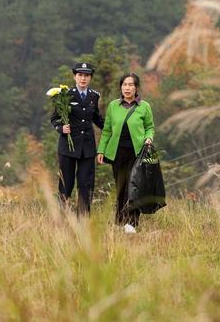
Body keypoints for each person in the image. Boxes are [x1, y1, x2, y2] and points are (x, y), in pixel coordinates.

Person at [97, 72, 154, 233]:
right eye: (124, 85)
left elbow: (150, 127)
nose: (127, 88)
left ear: (136, 88)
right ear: (120, 87)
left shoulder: (144, 106)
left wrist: (148, 138)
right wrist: (101, 150)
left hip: (137, 152)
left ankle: (132, 222)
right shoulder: (114, 106)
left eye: (131, 85)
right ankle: (120, 221)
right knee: (121, 186)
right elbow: (107, 130)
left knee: (133, 186)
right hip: (117, 153)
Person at [50, 62, 104, 215]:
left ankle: (83, 217)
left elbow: (97, 119)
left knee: (86, 183)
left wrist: (113, 129)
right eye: (80, 75)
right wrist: (61, 128)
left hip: (87, 148)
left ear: (90, 78)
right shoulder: (65, 95)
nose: (83, 78)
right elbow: (54, 118)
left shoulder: (94, 96)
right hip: (68, 146)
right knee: (66, 183)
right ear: (74, 76)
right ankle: (62, 215)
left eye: (86, 75)